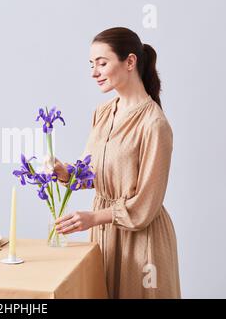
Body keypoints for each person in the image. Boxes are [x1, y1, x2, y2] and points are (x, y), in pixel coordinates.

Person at [53, 27, 181, 298]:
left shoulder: (154, 124)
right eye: (91, 64)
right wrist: (65, 173)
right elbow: (94, 172)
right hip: (104, 236)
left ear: (130, 62)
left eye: (102, 63)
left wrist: (94, 218)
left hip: (140, 240)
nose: (94, 72)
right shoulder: (102, 112)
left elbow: (147, 203)